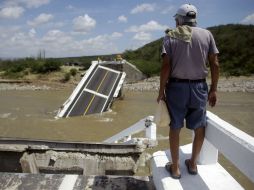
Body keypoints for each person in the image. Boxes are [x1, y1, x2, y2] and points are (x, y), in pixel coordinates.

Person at [157, 4, 219, 179]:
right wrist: (213, 89)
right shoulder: (207, 35)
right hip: (199, 87)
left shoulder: (171, 36)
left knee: (175, 126)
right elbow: (215, 63)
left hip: (176, 88)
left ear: (179, 19)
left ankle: (175, 168)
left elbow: (166, 66)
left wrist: (161, 91)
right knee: (199, 125)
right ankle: (192, 164)